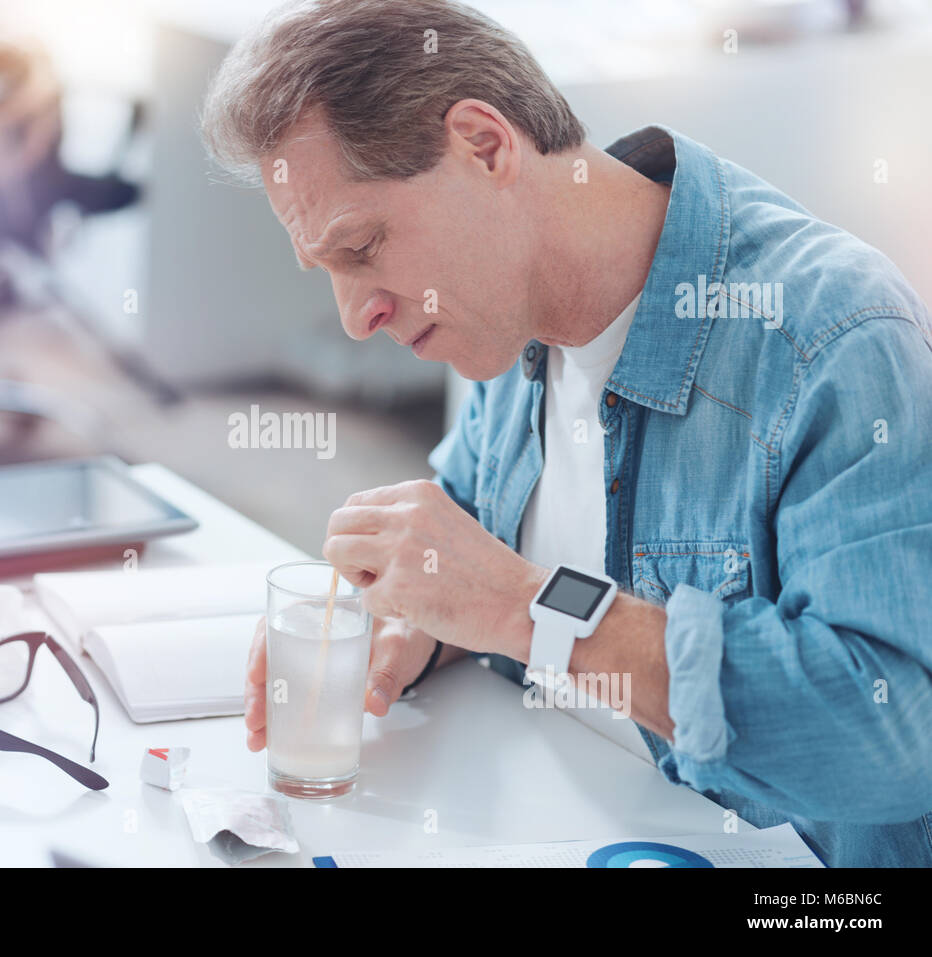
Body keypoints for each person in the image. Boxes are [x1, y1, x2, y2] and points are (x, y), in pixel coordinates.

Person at [200, 0, 932, 866]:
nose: (356, 318)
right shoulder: (505, 320)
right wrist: (412, 625)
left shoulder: (830, 336)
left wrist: (526, 608)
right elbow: (469, 534)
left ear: (484, 144)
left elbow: (893, 737)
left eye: (360, 248)